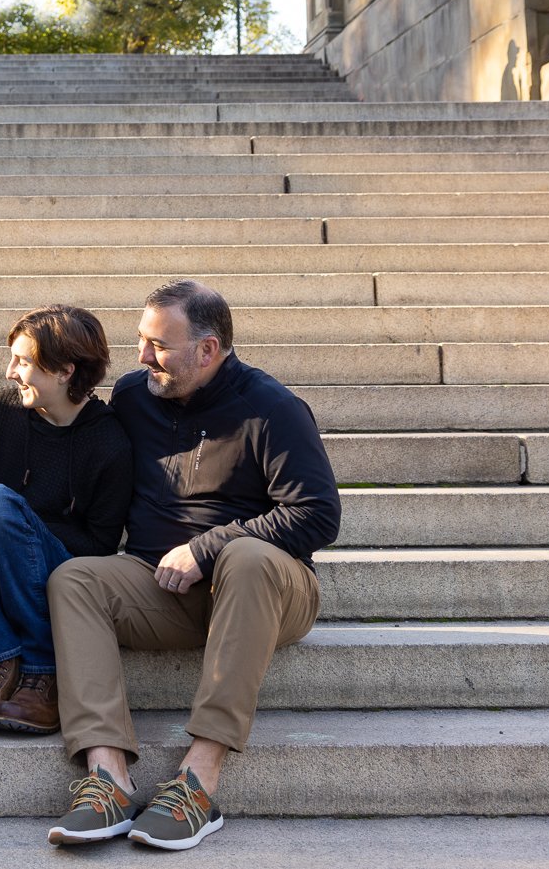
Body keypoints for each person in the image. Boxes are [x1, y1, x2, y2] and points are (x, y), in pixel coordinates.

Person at [45, 280, 339, 851]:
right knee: (74, 577)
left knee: (247, 556)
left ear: (208, 350)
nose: (141, 356)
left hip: (268, 591)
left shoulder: (272, 407)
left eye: (159, 344)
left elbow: (318, 514)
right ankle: (107, 778)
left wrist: (207, 548)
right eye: (140, 339)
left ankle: (198, 783)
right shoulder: (134, 396)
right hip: (161, 587)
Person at [0, 304, 133, 736]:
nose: (9, 372)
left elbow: (100, 545)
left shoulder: (109, 441)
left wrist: (21, 525)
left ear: (63, 371)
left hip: (57, 573)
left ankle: (43, 670)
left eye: (23, 362)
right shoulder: (5, 409)